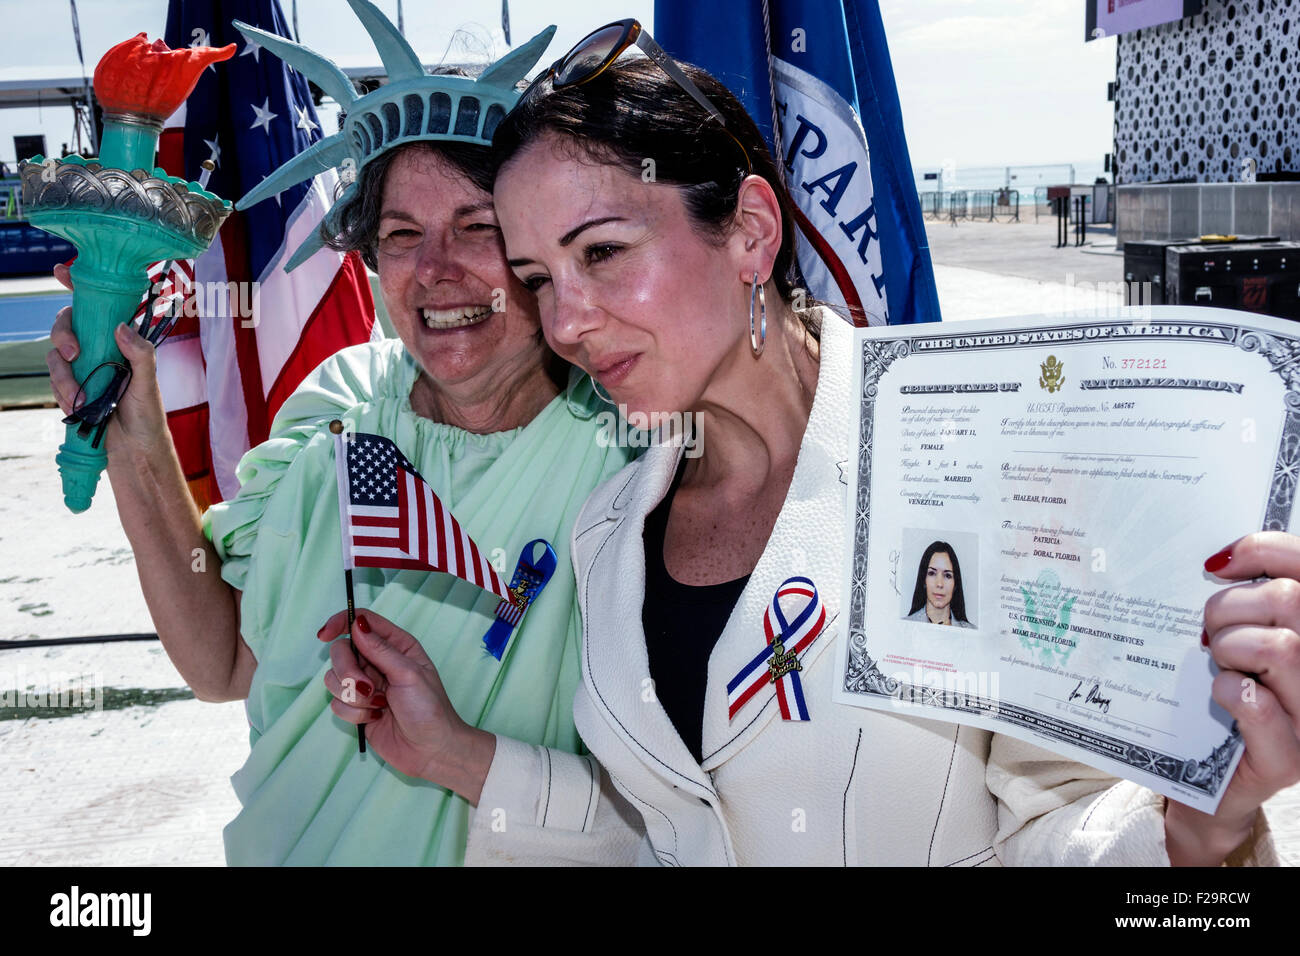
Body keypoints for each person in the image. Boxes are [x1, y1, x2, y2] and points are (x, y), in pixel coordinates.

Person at [325, 23, 1296, 866]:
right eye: (537, 276)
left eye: (604, 253)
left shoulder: (969, 465)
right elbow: (659, 828)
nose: (566, 321)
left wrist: (1196, 831)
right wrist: (455, 753)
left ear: (749, 232)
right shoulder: (608, 528)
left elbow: (1061, 827)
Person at [45, 13, 632, 865]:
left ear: (537, 249)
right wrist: (133, 424)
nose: (435, 270)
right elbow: (223, 664)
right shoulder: (338, 405)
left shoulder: (625, 447)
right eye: (400, 235)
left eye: (478, 227)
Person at [905, 541, 975, 628]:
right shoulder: (904, 626)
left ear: (955, 584)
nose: (939, 584)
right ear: (923, 580)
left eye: (947, 575)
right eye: (932, 573)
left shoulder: (971, 630)